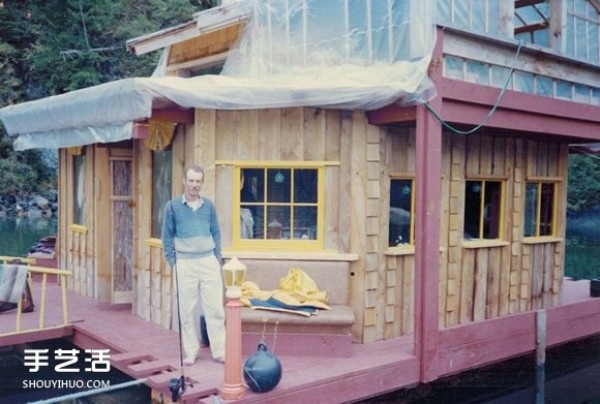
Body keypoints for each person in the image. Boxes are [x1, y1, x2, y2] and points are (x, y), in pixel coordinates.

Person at [162, 165, 225, 365]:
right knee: (186, 310)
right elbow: (166, 237)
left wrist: (216, 257)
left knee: (215, 308)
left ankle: (220, 351)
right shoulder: (172, 207)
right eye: (191, 180)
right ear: (184, 181)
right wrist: (173, 261)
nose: (194, 185)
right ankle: (190, 351)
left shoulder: (209, 206)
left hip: (208, 261)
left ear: (202, 183)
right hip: (185, 263)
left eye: (198, 181)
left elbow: (215, 232)